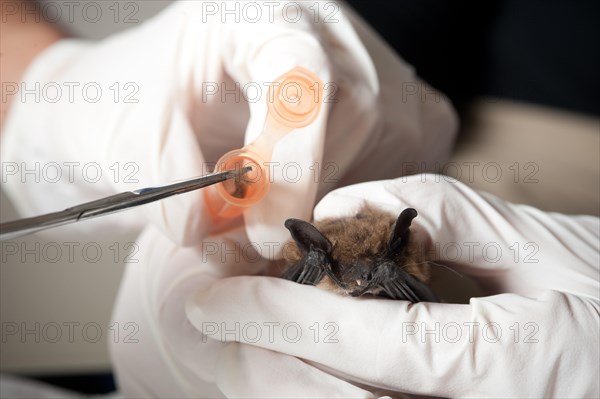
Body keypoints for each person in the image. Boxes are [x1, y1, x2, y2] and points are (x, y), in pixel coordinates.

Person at [1, 1, 597, 398]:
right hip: (457, 139)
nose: (363, 280)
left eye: (374, 271)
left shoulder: (394, 259)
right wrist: (48, 90)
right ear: (311, 253)